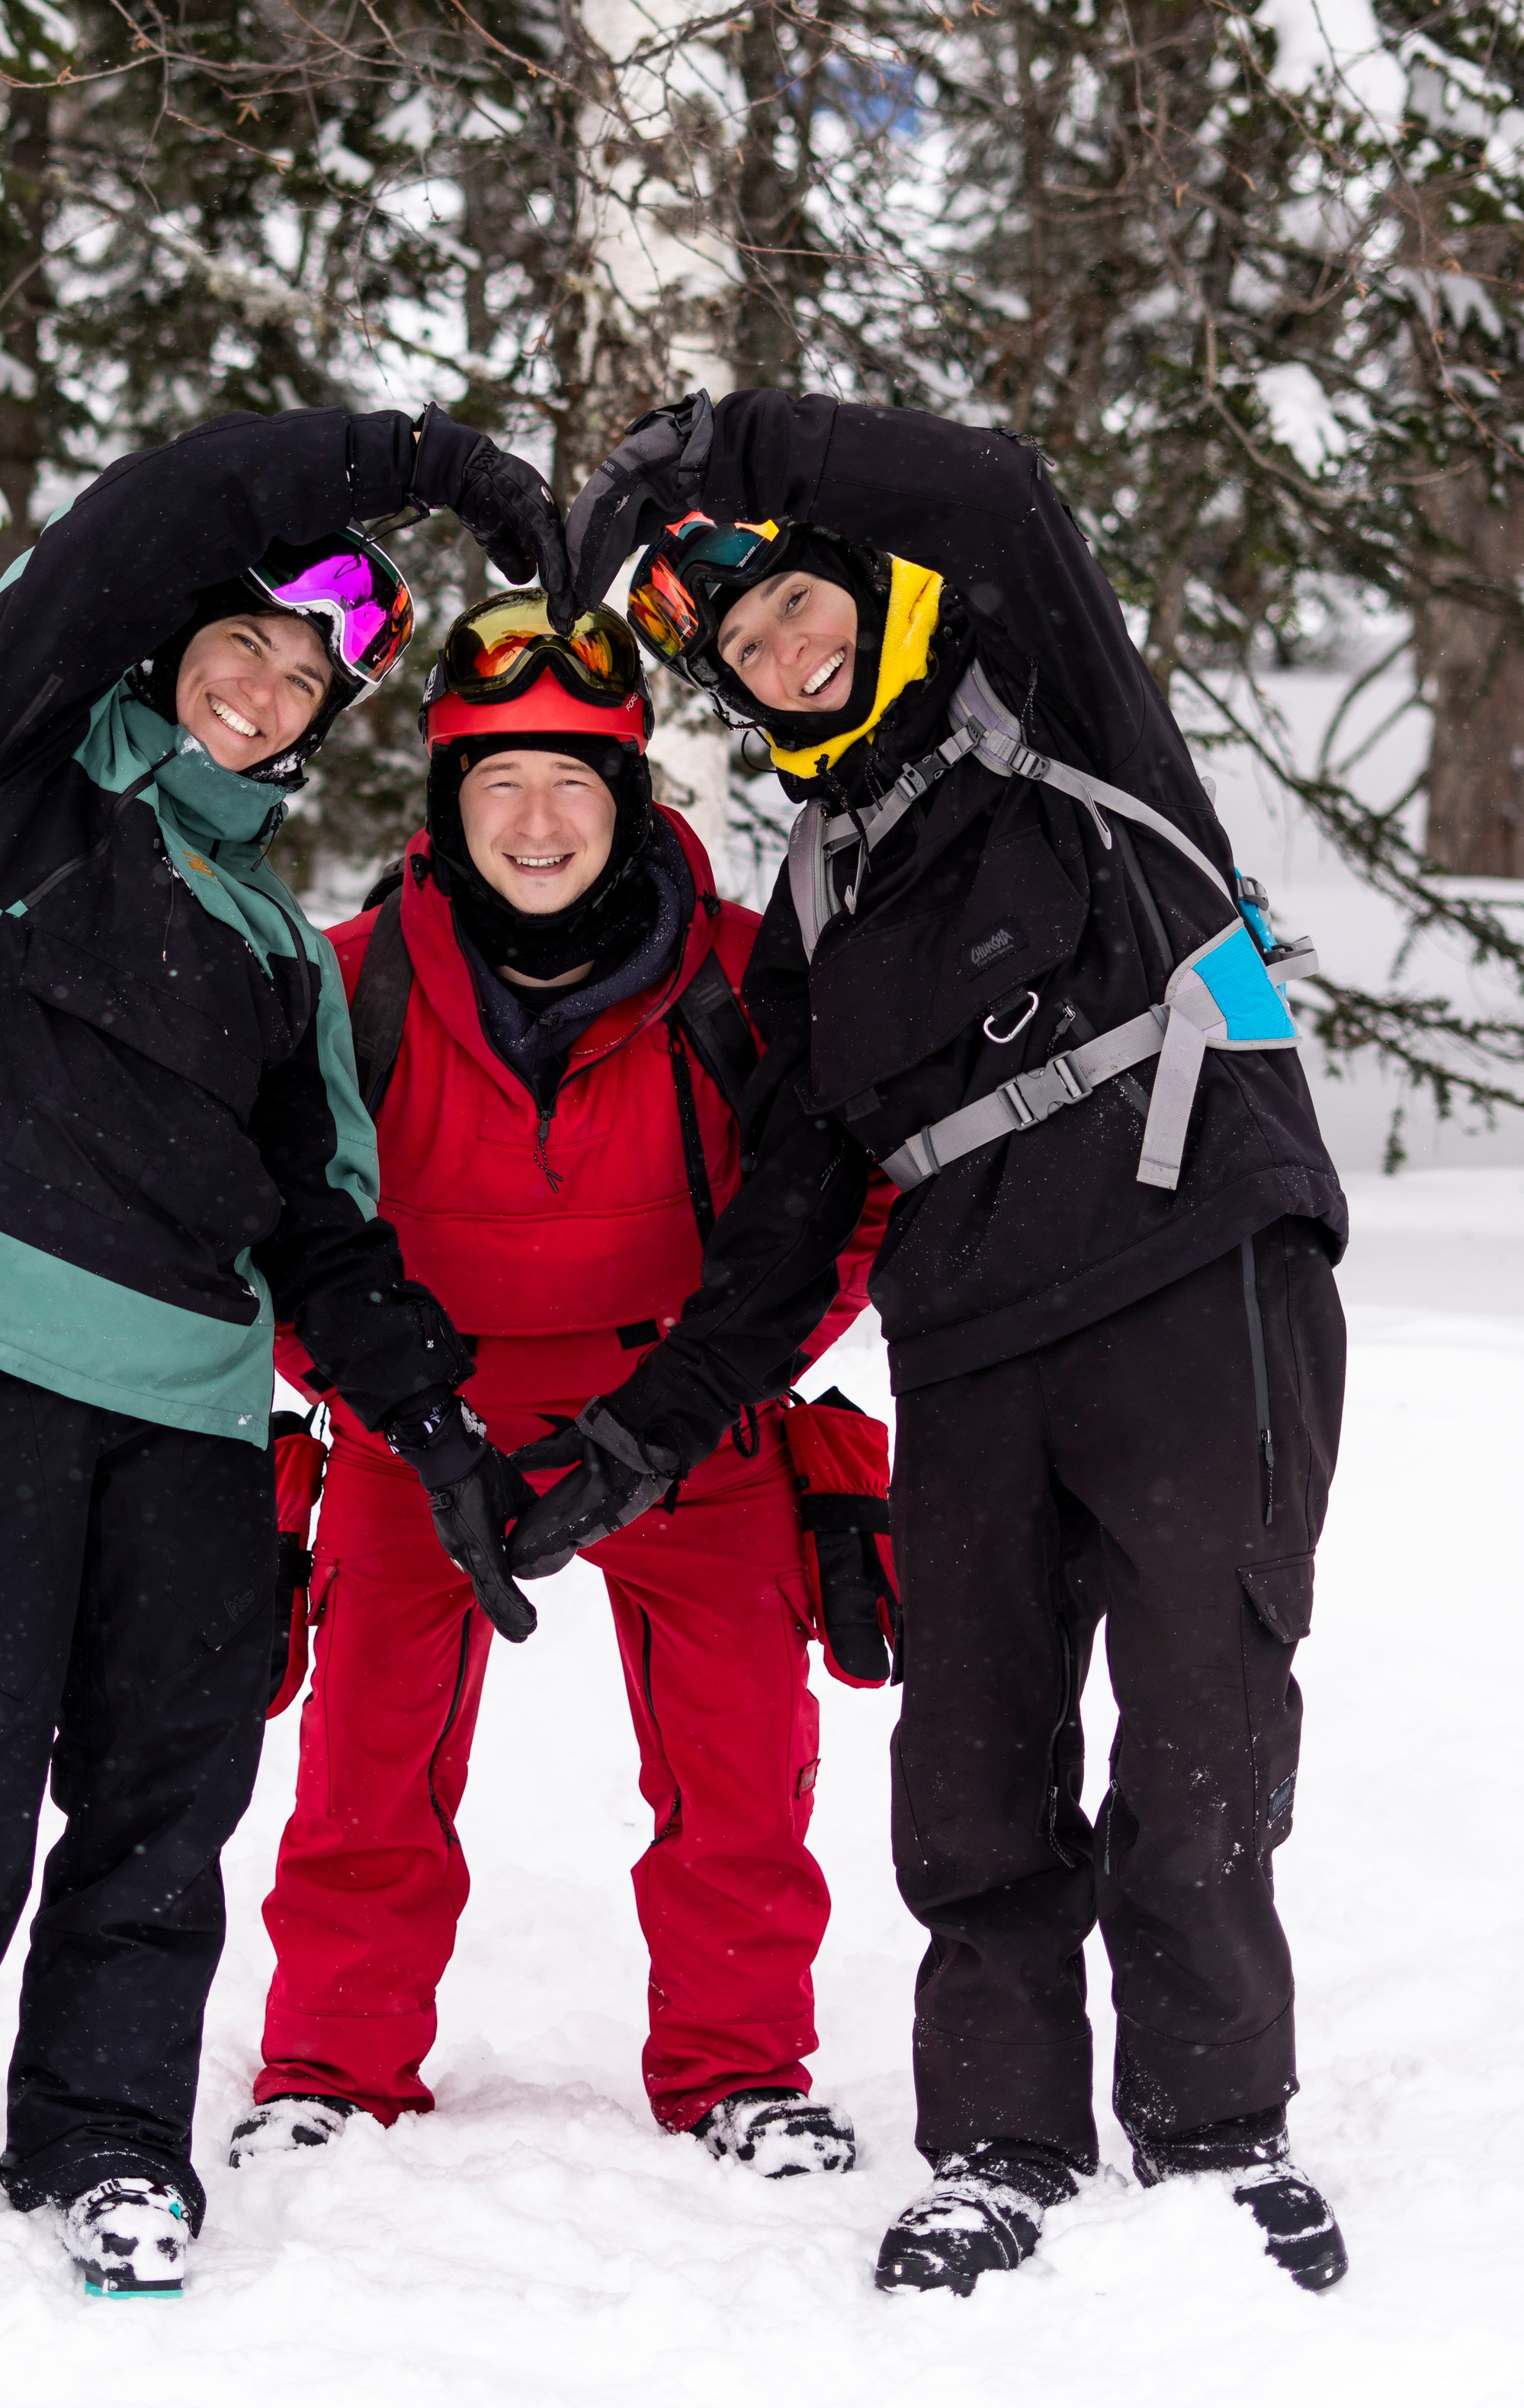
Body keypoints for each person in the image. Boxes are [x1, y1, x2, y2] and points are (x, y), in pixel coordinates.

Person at [0, 405, 574, 2335]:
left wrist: (437, 1429)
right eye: (244, 648)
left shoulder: (285, 949)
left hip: (192, 1416)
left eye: (303, 683)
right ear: (169, 644)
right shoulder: (21, 782)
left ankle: (106, 2137)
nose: (266, 693)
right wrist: (407, 464)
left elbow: (324, 1228)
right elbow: (143, 515)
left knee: (161, 1798)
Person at [530, 389, 1349, 2297]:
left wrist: (706, 455)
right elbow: (784, 1224)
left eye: (795, 609)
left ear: (866, 593)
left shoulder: (1050, 696)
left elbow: (985, 477)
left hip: (1191, 1260)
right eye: (743, 652)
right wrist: (640, 1435)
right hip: (970, 1337)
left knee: (1196, 1716)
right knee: (970, 1761)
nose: (782, 652)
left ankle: (1219, 2129)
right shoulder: (820, 886)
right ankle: (996, 2142)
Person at [227, 590, 890, 2172]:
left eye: (573, 780)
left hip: (684, 1418)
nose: (536, 819)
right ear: (443, 807)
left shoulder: (746, 978)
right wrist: (389, 1403)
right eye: (496, 783)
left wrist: (678, 1414)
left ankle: (741, 2071)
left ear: (632, 793)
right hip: (418, 1422)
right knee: (364, 1770)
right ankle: (329, 2070)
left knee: (738, 1764)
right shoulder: (343, 979)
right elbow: (271, 1216)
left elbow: (835, 1211)